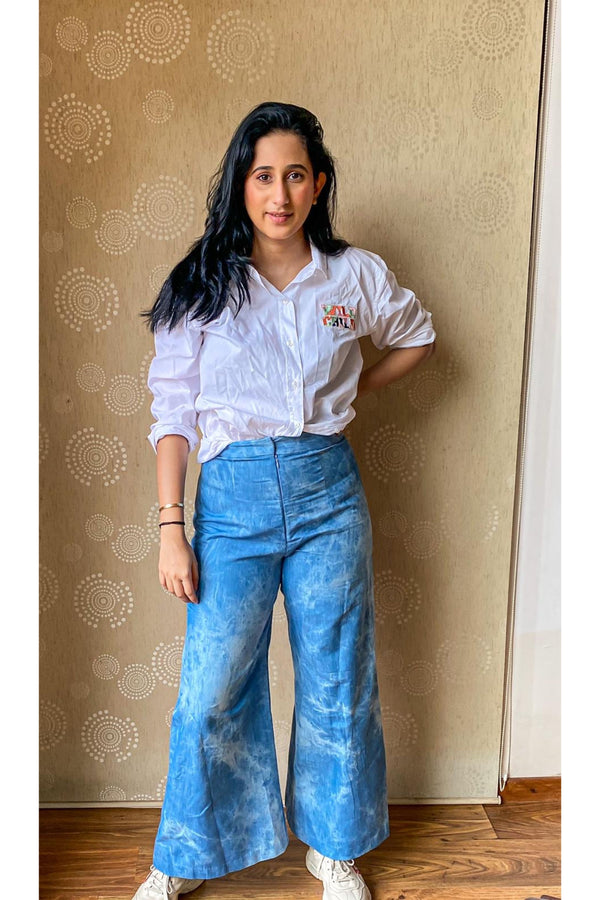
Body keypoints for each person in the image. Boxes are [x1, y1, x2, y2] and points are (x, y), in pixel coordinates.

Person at [135, 101, 436, 900]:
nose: (279, 194)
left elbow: (417, 335)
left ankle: (333, 851)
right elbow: (173, 415)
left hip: (328, 496)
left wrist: (354, 388)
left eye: (295, 175)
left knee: (339, 676)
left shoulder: (352, 276)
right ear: (242, 184)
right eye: (263, 175)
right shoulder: (202, 284)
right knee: (209, 691)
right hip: (230, 504)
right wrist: (171, 528)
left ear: (319, 184)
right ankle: (184, 855)